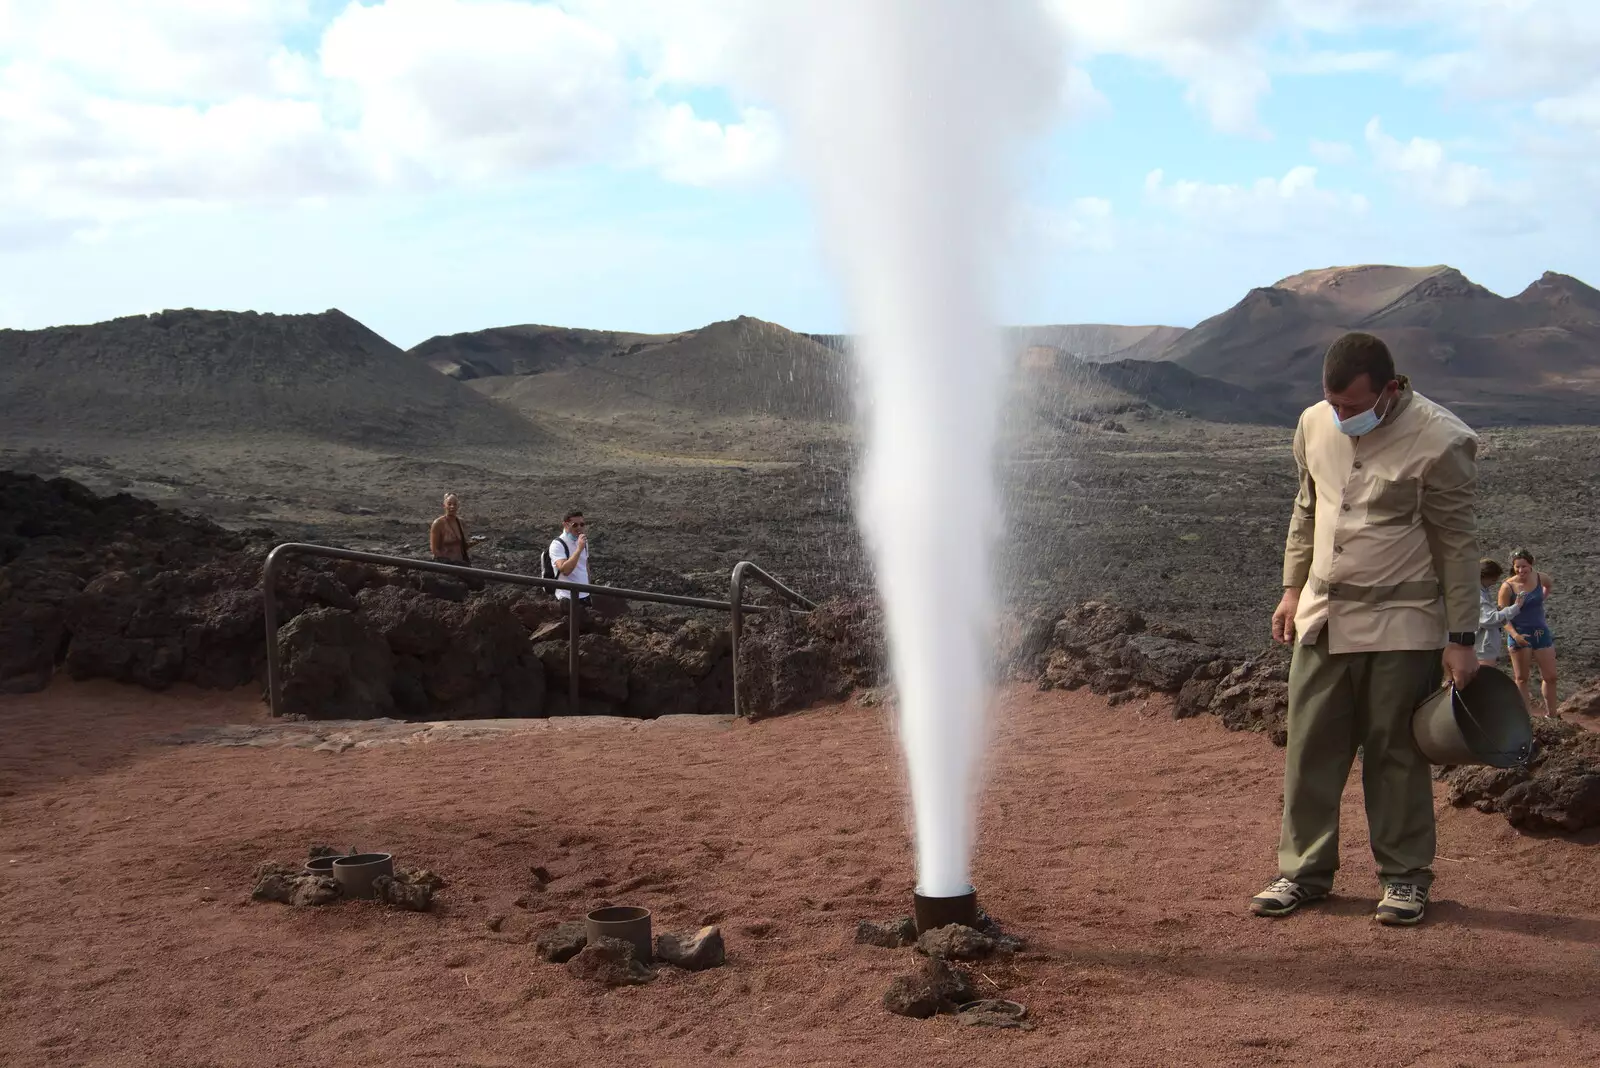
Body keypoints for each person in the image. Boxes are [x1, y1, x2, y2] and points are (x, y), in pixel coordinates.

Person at [1252, 331, 1480, 928]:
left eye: (1352, 406)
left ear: (1389, 389)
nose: (1340, 416)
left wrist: (1461, 640)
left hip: (1402, 625)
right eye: (1333, 404)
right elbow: (1308, 507)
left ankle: (1404, 878)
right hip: (1324, 616)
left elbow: (1456, 546)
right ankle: (1302, 873)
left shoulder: (1441, 439)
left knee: (1396, 752)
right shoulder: (1314, 424)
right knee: (1309, 749)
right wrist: (1290, 588)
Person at [1500, 548, 1557, 717]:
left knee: (1551, 676)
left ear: (1531, 564)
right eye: (1517, 567)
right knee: (1522, 678)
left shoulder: (1540, 577)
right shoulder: (1507, 587)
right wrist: (1515, 635)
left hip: (1541, 632)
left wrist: (1539, 600)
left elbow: (1548, 585)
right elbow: (1503, 617)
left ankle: (1552, 714)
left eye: (1524, 566)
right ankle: (1525, 717)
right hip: (1520, 635)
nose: (1520, 570)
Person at [548, 510, 623, 631]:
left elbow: (585, 565)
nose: (579, 528)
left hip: (584, 596)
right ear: (565, 525)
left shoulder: (583, 542)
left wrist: (589, 587)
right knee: (573, 632)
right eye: (575, 525)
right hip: (567, 598)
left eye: (582, 524)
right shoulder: (558, 544)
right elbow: (565, 570)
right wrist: (579, 549)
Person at [1476, 558, 1525, 668]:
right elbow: (1489, 620)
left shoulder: (1482, 591)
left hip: (1482, 646)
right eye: (1493, 580)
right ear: (1486, 576)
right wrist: (1515, 607)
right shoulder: (1478, 594)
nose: (1493, 583)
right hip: (1482, 648)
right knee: (1482, 679)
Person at [429, 493, 470, 565]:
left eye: (455, 504)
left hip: (460, 563)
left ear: (458, 506)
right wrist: (447, 563)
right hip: (445, 565)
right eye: (449, 504)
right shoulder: (438, 524)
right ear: (444, 505)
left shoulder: (461, 523)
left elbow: (461, 546)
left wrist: (474, 543)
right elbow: (434, 549)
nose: (452, 507)